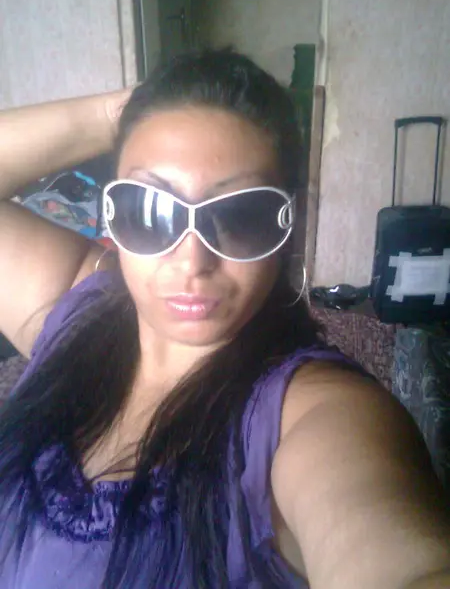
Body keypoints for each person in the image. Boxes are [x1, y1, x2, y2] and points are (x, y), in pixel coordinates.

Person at [0, 50, 449, 589]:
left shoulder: (312, 414)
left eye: (240, 217)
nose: (193, 262)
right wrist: (121, 112)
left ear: (290, 225)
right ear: (110, 215)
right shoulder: (75, 305)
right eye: (149, 210)